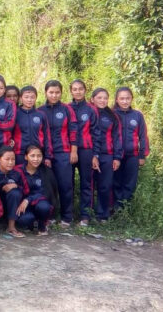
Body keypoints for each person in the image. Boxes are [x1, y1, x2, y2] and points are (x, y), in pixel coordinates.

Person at [38, 80, 78, 227]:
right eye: (51, 92)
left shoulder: (67, 109)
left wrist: (74, 151)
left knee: (65, 185)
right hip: (45, 153)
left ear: (61, 93)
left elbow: (73, 131)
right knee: (48, 186)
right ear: (45, 93)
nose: (54, 95)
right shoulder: (40, 110)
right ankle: (50, 216)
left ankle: (67, 216)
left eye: (57, 92)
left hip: (63, 152)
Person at [90, 88, 123, 224]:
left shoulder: (112, 116)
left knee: (105, 185)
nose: (102, 100)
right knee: (89, 185)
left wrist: (117, 157)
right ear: (92, 99)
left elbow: (117, 138)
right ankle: (87, 214)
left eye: (105, 98)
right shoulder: (88, 112)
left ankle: (102, 214)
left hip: (107, 154)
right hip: (89, 153)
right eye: (99, 98)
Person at [69, 79, 99, 226]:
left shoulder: (91, 109)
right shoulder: (67, 108)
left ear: (85, 90)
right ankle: (67, 215)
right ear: (71, 91)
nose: (78, 92)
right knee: (68, 183)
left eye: (80, 89)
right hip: (69, 150)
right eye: (75, 89)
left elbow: (96, 133)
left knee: (86, 183)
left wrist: (95, 155)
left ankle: (85, 216)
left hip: (86, 150)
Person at [113, 87, 149, 210]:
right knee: (115, 182)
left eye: (127, 98)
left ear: (131, 99)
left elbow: (143, 136)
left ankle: (125, 209)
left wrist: (142, 155)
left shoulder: (137, 115)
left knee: (130, 184)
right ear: (117, 100)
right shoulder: (112, 114)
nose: (125, 101)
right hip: (115, 156)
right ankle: (116, 209)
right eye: (122, 98)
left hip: (132, 155)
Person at [17, 144, 59, 236]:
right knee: (25, 220)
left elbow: (47, 192)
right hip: (22, 205)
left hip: (39, 203)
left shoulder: (46, 171)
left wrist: (28, 199)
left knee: (44, 207)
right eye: (32, 156)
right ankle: (31, 223)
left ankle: (42, 225)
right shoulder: (18, 170)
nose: (36, 159)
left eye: (39, 156)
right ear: (26, 157)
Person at [0, 146, 29, 238]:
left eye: (13, 159)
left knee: (15, 193)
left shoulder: (18, 172)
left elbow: (26, 190)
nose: (10, 162)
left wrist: (16, 186)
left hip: (12, 205)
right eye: (7, 159)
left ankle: (11, 227)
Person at [12, 86, 53, 165]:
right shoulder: (15, 114)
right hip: (19, 154)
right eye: (26, 97)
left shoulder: (41, 114)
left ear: (36, 98)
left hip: (37, 154)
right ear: (20, 98)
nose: (29, 100)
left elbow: (47, 136)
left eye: (32, 97)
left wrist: (48, 156)